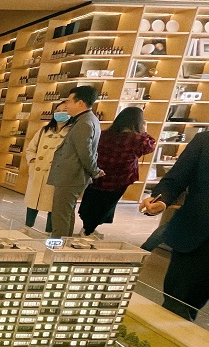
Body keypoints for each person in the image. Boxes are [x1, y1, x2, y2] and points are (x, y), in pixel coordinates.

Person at [139, 131, 209, 321]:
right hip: (197, 240)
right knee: (176, 308)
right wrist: (162, 200)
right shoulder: (204, 141)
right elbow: (175, 179)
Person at [78, 107, 155, 237]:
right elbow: (150, 147)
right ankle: (88, 231)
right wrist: (144, 131)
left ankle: (88, 227)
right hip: (119, 179)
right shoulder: (138, 139)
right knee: (106, 205)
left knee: (92, 202)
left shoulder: (104, 134)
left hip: (97, 176)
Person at [46, 85, 104, 237]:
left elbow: (85, 152)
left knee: (60, 214)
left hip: (70, 176)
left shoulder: (84, 123)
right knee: (66, 212)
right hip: (72, 175)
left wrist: (94, 170)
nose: (66, 105)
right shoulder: (86, 120)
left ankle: (56, 246)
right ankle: (64, 243)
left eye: (69, 101)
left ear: (80, 103)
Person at [23, 102, 71, 233]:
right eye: (58, 110)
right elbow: (30, 149)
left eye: (65, 110)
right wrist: (33, 161)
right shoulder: (43, 131)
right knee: (33, 201)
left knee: (53, 205)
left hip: (56, 174)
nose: (60, 113)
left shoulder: (71, 133)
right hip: (38, 172)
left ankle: (49, 232)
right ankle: (27, 226)